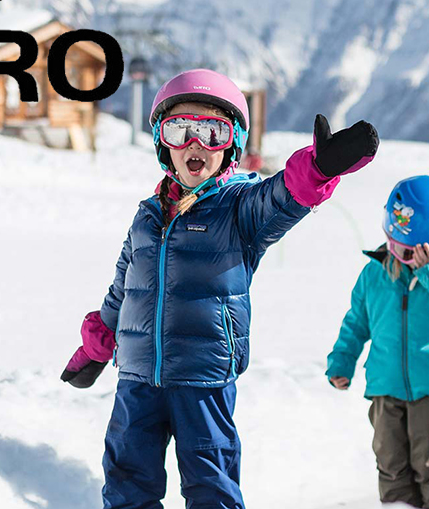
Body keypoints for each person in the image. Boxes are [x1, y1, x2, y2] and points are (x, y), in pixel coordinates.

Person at [58, 69, 380, 509]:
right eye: (180, 129)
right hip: (136, 377)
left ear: (230, 146)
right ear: (161, 142)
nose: (195, 144)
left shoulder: (239, 209)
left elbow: (284, 195)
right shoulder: (147, 216)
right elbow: (123, 288)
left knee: (211, 482)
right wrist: (95, 349)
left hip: (203, 377)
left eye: (212, 131)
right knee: (126, 478)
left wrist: (319, 167)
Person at [327, 176, 429, 509]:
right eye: (403, 250)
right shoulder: (374, 274)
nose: (411, 260)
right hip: (385, 385)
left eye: (424, 253)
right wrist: (342, 362)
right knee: (391, 465)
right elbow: (356, 323)